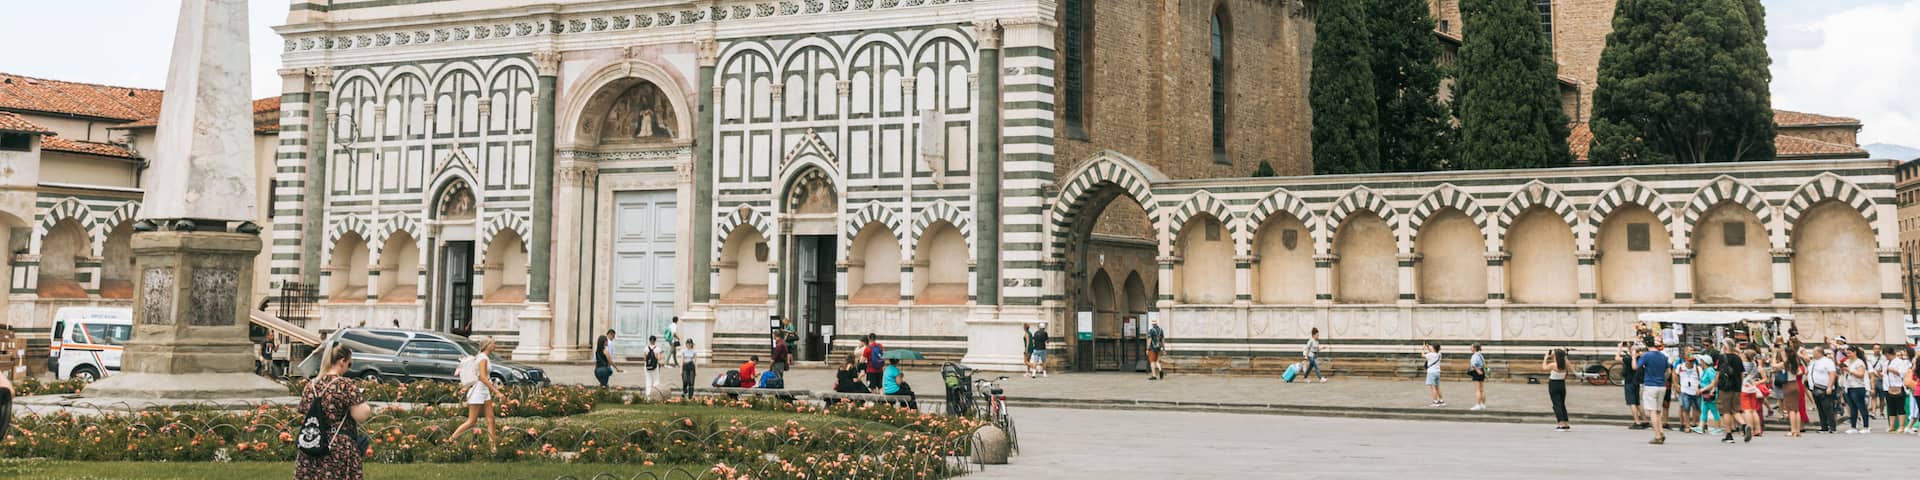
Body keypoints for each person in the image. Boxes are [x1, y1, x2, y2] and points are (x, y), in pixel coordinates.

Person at [296, 344, 371, 480]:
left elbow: (303, 412)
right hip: (337, 446)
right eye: (349, 364)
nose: (348, 368)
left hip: (312, 443)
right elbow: (361, 415)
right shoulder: (345, 385)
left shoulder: (310, 386)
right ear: (342, 361)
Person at [447, 338, 501, 446]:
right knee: (471, 421)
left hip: (484, 391)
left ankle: (492, 445)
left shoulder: (483, 357)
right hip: (478, 391)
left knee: (491, 419)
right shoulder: (483, 358)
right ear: (488, 345)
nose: (495, 345)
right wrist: (497, 392)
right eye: (493, 343)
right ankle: (450, 441)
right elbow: (483, 377)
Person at [1636, 337, 1672, 444]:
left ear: (1646, 345)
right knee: (1658, 411)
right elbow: (1669, 371)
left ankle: (1657, 435)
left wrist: (1633, 357)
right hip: (1661, 386)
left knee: (1652, 412)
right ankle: (1661, 432)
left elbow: (1636, 367)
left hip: (1650, 385)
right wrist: (1663, 379)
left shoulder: (1646, 355)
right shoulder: (1663, 356)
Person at [1716, 341, 1747, 443]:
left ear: (1725, 347)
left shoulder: (1722, 358)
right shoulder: (1738, 358)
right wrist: (1740, 387)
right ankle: (1744, 424)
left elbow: (1718, 374)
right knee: (1735, 410)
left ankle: (1729, 434)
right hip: (1737, 387)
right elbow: (1742, 374)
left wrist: (1714, 386)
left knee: (1726, 411)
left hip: (1725, 388)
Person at [1808, 346, 1840, 434]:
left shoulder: (1827, 362)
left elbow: (1832, 374)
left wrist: (1830, 386)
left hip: (1824, 387)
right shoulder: (1813, 362)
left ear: (1819, 353)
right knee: (1820, 408)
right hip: (1814, 387)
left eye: (1814, 352)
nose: (1813, 354)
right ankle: (1824, 426)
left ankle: (1832, 427)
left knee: (1827, 408)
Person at [1617, 342, 1647, 429]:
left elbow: (1617, 358)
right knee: (1637, 402)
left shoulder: (1628, 359)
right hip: (1636, 382)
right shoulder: (1639, 358)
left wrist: (1619, 348)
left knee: (1632, 403)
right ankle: (1645, 420)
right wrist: (1629, 347)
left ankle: (1637, 422)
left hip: (1629, 382)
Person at [1779, 342, 1806, 437]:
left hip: (1788, 385)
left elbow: (1774, 365)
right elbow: (1799, 372)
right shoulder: (1796, 363)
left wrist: (1775, 354)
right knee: (1796, 409)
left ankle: (1793, 430)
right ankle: (1797, 430)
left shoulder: (1786, 364)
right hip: (1796, 384)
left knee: (1790, 409)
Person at [1844, 346, 1871, 434]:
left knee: (1861, 406)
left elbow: (1861, 374)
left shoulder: (1859, 362)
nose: (1848, 355)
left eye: (1849, 353)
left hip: (1858, 387)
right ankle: (1853, 426)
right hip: (1848, 386)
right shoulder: (1847, 362)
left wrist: (1850, 370)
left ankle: (1866, 426)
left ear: (1855, 352)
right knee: (1852, 408)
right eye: (1847, 353)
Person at [1884, 346, 1910, 434]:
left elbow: (1903, 373)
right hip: (1888, 387)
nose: (1886, 357)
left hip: (1899, 386)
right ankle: (1891, 426)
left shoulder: (1900, 362)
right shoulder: (1886, 362)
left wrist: (1892, 370)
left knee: (1900, 407)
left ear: (1890, 354)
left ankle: (1902, 426)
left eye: (1887, 355)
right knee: (1891, 407)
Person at [1543, 348, 1570, 431]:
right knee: (1562, 404)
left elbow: (1544, 368)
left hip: (1554, 384)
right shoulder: (1566, 363)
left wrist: (1545, 358)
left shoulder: (1553, 365)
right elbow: (1567, 373)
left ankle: (1561, 423)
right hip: (1562, 383)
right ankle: (1566, 423)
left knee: (1556, 404)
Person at [1676, 349, 1701, 434]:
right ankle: (1687, 425)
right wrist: (1676, 384)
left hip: (1695, 390)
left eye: (1693, 361)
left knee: (1697, 408)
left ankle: (1695, 423)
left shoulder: (1697, 368)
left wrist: (1699, 388)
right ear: (1685, 360)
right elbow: (1675, 374)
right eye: (1690, 361)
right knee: (1686, 408)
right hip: (1685, 390)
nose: (1691, 363)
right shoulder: (1680, 367)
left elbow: (1701, 379)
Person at [1697, 353, 1721, 435]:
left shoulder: (1710, 370)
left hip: (1710, 393)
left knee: (1714, 410)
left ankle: (1718, 428)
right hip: (1705, 393)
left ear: (1704, 362)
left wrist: (1702, 389)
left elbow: (1713, 383)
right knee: (1704, 410)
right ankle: (1700, 427)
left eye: (1701, 361)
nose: (1700, 362)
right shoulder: (1706, 370)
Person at [1422, 342, 1444, 408]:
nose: (1431, 348)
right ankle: (1441, 401)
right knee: (1437, 387)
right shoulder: (1439, 354)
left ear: (1434, 348)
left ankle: (1435, 402)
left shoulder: (1430, 355)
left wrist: (1423, 348)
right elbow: (1432, 352)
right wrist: (1428, 347)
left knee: (1433, 388)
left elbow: (1422, 355)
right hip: (1437, 372)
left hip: (1431, 372)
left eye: (1432, 347)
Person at [1468, 344, 1487, 411]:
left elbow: (1473, 365)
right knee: (1482, 389)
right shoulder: (1480, 355)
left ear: (1475, 348)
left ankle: (1478, 405)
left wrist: (1477, 370)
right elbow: (1484, 364)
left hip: (1477, 372)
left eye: (1471, 347)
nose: (1470, 348)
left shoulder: (1475, 355)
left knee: (1478, 389)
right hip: (1482, 370)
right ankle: (1482, 404)